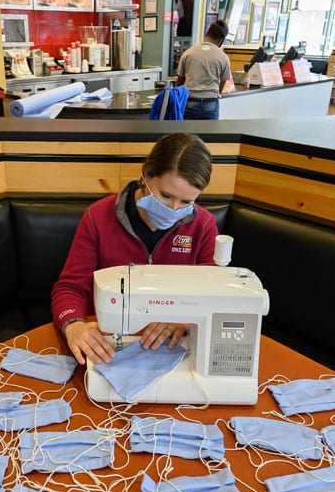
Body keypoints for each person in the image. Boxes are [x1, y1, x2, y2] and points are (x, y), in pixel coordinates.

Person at [52, 133, 219, 366]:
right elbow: (70, 287)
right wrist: (73, 324)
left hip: (170, 345)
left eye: (186, 202)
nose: (173, 209)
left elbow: (213, 295)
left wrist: (184, 321)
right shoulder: (98, 217)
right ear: (147, 175)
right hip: (105, 339)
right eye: (166, 195)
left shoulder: (203, 226)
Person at [174, 20, 234, 120]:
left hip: (190, 100)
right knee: (209, 134)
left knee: (188, 134)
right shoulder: (223, 57)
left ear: (207, 34)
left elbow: (180, 80)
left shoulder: (188, 53)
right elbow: (223, 82)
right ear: (220, 41)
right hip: (211, 102)